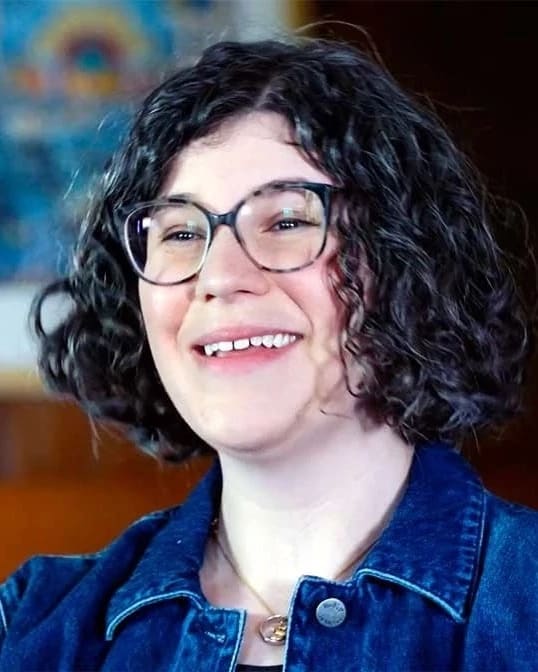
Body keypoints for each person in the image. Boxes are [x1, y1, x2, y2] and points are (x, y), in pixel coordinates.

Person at [1, 36, 536, 671]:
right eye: (178, 232)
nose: (219, 275)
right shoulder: (32, 626)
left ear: (404, 261)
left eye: (286, 221)